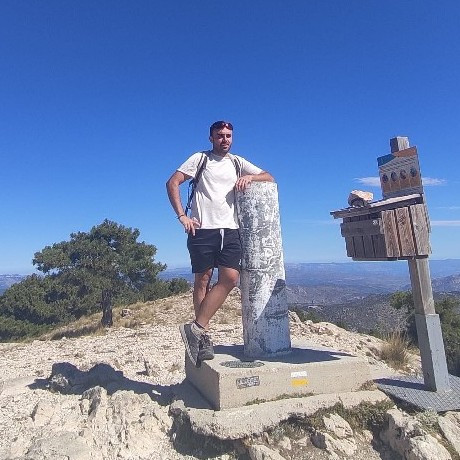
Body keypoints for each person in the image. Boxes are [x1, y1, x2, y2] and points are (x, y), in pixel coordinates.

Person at [166, 120, 274, 366]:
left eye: (228, 136)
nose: (225, 140)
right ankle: (202, 337)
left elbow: (268, 176)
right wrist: (182, 216)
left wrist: (251, 178)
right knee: (203, 279)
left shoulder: (237, 162)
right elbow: (172, 182)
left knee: (230, 278)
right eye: (220, 135)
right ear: (211, 138)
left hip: (231, 229)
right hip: (202, 229)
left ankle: (194, 329)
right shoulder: (200, 159)